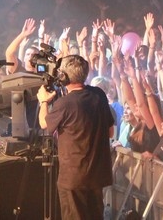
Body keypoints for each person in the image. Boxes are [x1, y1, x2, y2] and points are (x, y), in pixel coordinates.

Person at [37, 55, 115, 220]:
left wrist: (43, 101)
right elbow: (110, 133)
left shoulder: (65, 103)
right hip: (97, 175)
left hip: (73, 178)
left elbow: (44, 124)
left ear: (63, 76)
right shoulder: (99, 95)